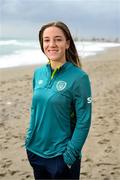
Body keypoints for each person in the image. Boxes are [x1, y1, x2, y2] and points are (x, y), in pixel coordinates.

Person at [25, 21, 92, 180]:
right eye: (46, 40)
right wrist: (29, 139)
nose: (52, 44)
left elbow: (84, 120)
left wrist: (70, 156)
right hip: (36, 151)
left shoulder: (79, 78)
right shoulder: (38, 73)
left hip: (61, 156)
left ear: (67, 43)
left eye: (58, 39)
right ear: (42, 44)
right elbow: (35, 109)